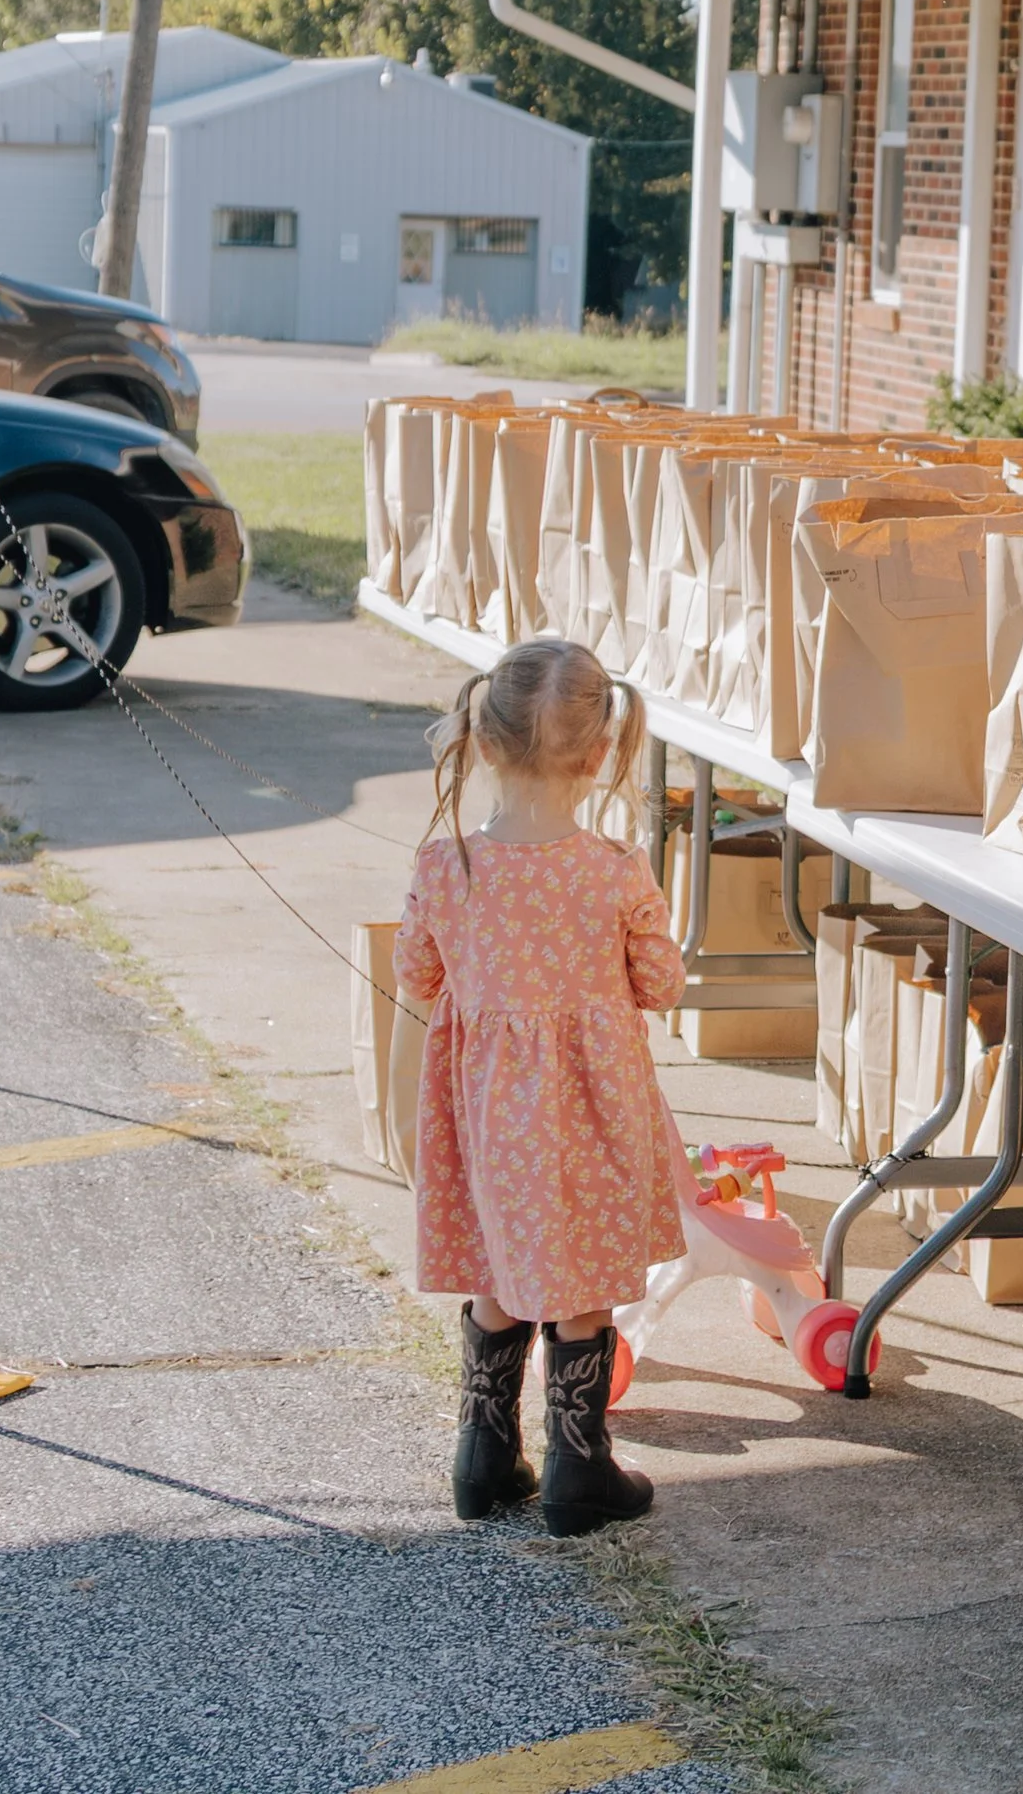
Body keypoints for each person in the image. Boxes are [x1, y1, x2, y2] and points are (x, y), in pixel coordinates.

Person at [395, 638, 686, 1536]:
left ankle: (481, 1458)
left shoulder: (446, 866)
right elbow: (662, 987)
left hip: (484, 1111)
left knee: (496, 1257)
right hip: (591, 1110)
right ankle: (576, 1468)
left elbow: (417, 975)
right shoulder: (613, 868)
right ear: (601, 753)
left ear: (483, 742)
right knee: (583, 1270)